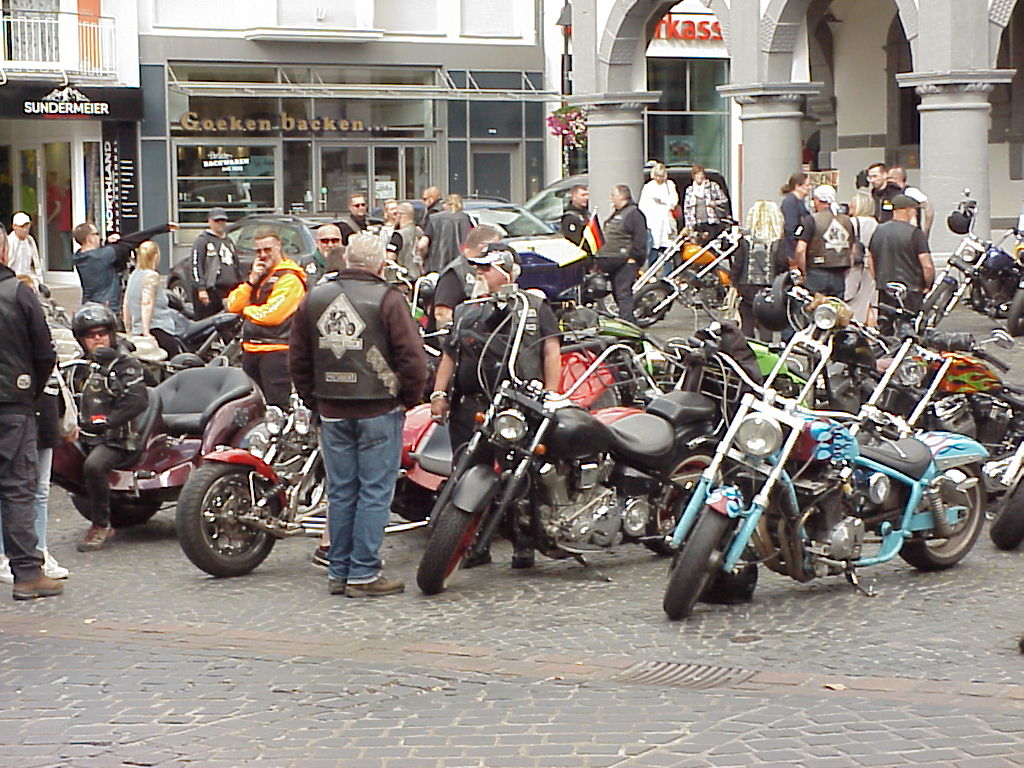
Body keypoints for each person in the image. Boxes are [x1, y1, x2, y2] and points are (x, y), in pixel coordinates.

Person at [289, 233, 428, 597]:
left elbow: (298, 358)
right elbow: (413, 359)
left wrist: (313, 399)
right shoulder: (388, 298)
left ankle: (339, 570)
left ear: (348, 260)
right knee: (374, 492)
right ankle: (364, 573)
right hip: (378, 407)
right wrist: (409, 399)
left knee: (341, 491)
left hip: (331, 407)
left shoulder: (314, 298)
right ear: (381, 264)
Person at [429, 242, 561, 569]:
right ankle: (472, 543)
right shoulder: (466, 310)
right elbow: (450, 355)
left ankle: (524, 543)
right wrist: (439, 394)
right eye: (478, 268)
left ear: (507, 272)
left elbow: (551, 351)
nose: (480, 274)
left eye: (486, 268)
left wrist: (551, 395)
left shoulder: (534, 307)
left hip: (519, 408)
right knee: (466, 474)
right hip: (470, 407)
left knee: (523, 478)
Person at [0, 222, 61, 598]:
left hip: (15, 399)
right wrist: (30, 390)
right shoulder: (19, 293)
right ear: (5, 251)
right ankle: (26, 573)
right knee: (18, 487)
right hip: (13, 404)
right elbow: (45, 352)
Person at [71, 304, 149, 552]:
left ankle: (101, 524)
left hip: (118, 438)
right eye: (90, 335)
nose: (97, 339)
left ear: (112, 334)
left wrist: (109, 421)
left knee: (93, 466)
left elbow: (138, 400)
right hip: (85, 434)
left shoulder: (125, 364)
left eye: (102, 333)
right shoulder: (80, 365)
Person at [0, 369, 71, 584]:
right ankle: (4, 554)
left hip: (43, 417)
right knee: (10, 489)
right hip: (15, 413)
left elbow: (54, 378)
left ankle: (39, 551)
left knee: (40, 490)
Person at [225, 227, 307, 408]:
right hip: (250, 351)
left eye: (267, 250)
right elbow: (233, 306)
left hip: (276, 352)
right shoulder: (260, 276)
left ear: (279, 247)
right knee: (252, 408)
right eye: (258, 251)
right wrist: (251, 281)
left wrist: (247, 311)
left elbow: (273, 316)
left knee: (277, 407)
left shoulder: (290, 278)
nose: (263, 255)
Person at [72, 220, 178, 310]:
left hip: (89, 304)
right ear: (90, 239)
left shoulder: (79, 257)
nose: (99, 237)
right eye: (97, 234)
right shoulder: (103, 255)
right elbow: (130, 242)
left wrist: (107, 241)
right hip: (108, 306)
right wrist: (161, 228)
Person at [867, 194, 934, 314]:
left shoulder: (878, 231)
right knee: (910, 322)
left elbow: (870, 261)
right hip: (911, 290)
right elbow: (927, 266)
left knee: (885, 321)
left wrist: (878, 280)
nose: (915, 213)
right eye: (914, 210)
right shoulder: (915, 234)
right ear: (907, 210)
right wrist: (928, 285)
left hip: (885, 289)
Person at [123, 240, 185, 358]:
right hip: (157, 328)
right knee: (177, 359)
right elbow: (147, 302)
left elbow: (126, 303)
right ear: (156, 256)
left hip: (137, 330)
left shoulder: (134, 275)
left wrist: (128, 328)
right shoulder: (151, 275)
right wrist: (146, 332)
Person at [432, 225, 502, 328]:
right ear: (483, 246)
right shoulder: (454, 273)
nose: (499, 251)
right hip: (460, 334)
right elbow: (442, 314)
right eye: (495, 247)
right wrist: (453, 335)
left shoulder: (484, 269)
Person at [596, 185, 647, 323]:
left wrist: (634, 258)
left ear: (621, 196)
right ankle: (626, 320)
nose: (611, 198)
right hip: (614, 261)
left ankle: (628, 323)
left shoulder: (634, 214)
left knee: (623, 293)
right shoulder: (618, 213)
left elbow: (640, 239)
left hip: (626, 262)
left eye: (613, 195)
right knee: (617, 292)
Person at [794, 185, 854, 298]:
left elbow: (800, 250)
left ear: (817, 200)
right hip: (839, 272)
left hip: (816, 272)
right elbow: (852, 249)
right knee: (836, 306)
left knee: (814, 306)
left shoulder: (812, 220)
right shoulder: (847, 221)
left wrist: (803, 271)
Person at [733, 201, 782, 339]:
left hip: (746, 286)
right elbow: (781, 264)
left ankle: (746, 348)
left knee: (747, 323)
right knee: (766, 324)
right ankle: (766, 349)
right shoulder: (777, 242)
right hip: (769, 287)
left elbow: (738, 264)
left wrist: (734, 285)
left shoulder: (745, 241)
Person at [189, 207, 240, 319]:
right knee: (208, 321)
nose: (220, 223)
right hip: (211, 290)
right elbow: (196, 265)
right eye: (217, 220)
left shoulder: (229, 241)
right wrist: (201, 288)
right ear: (210, 221)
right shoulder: (202, 241)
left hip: (228, 291)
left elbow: (236, 264)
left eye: (223, 220)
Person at [845, 191, 879, 325]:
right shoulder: (876, 224)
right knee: (869, 301)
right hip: (871, 267)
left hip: (855, 266)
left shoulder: (851, 223)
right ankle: (871, 329)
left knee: (853, 301)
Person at [638, 163, 679, 267]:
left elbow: (674, 201)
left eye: (661, 176)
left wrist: (662, 201)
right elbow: (642, 206)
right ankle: (652, 271)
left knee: (667, 250)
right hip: (653, 222)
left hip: (666, 221)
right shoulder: (648, 186)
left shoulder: (669, 185)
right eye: (657, 176)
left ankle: (668, 273)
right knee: (653, 248)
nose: (659, 178)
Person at [422, 194, 473, 274]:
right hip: (459, 266)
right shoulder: (466, 219)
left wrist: (422, 258)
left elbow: (423, 244)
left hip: (435, 266)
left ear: (446, 205)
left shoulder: (434, 219)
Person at [779, 172, 812, 271]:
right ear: (798, 186)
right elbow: (791, 228)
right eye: (807, 185)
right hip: (792, 249)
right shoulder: (790, 202)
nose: (810, 188)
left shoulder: (800, 202)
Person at [888, 166, 934, 236]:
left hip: (909, 234)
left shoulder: (910, 191)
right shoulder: (887, 193)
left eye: (888, 178)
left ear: (896, 178)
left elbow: (928, 206)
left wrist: (926, 231)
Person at [682, 164, 728, 232]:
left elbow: (725, 200)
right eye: (697, 174)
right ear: (694, 176)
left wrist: (715, 203)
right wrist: (689, 226)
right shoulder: (690, 190)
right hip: (696, 224)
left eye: (701, 174)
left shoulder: (712, 186)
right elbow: (687, 209)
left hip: (712, 223)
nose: (700, 176)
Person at [385, 202, 424, 278]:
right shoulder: (420, 232)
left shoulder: (398, 235)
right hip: (419, 276)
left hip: (402, 278)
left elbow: (390, 257)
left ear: (399, 215)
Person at [8, 212, 42, 290]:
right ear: (14, 226)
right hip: (14, 281)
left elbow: (36, 264)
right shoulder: (9, 242)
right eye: (22, 226)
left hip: (29, 279)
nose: (25, 229)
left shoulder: (30, 241)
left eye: (27, 226)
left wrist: (39, 281)